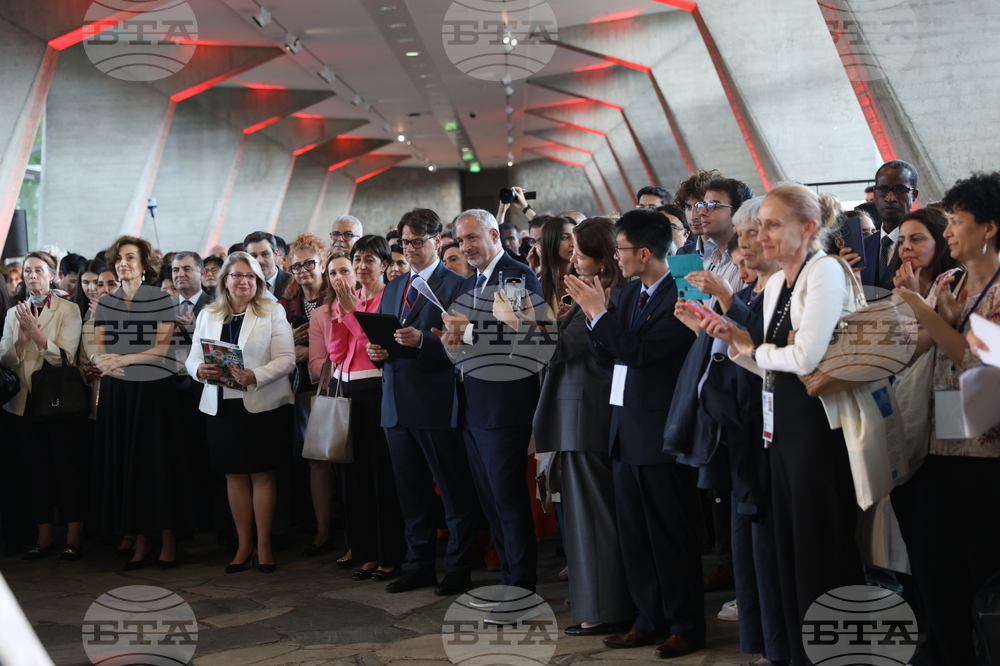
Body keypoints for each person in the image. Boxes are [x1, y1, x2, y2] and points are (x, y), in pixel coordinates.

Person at [704, 183, 865, 665]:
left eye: (773, 225)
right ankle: (797, 654)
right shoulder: (776, 283)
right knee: (789, 551)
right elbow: (780, 364)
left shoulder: (826, 272)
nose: (760, 236)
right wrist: (737, 345)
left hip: (818, 429)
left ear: (808, 228)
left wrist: (757, 349)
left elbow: (808, 355)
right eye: (758, 227)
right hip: (781, 425)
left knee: (821, 550)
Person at [565, 209, 703, 658]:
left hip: (661, 431)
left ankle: (685, 625)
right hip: (624, 429)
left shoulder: (679, 296)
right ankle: (647, 619)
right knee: (635, 535)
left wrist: (596, 314)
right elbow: (611, 357)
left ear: (643, 253)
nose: (615, 259)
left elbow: (642, 354)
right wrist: (596, 317)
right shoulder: (626, 296)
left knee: (670, 535)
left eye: (621, 251)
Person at [671, 198, 790, 666]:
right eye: (741, 243)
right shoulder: (756, 290)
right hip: (738, 432)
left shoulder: (780, 291)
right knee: (747, 550)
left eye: (753, 240)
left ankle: (778, 646)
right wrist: (706, 326)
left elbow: (763, 348)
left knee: (765, 548)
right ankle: (762, 643)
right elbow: (737, 347)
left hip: (765, 431)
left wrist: (726, 303)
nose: (743, 252)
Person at [892, 172, 1000, 666]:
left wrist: (924, 308)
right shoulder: (947, 280)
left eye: (957, 221)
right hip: (935, 440)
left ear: (990, 227)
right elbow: (921, 344)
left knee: (984, 562)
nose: (950, 231)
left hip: (985, 449)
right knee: (935, 563)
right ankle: (948, 651)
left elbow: (973, 360)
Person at [367, 208, 478, 596]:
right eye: (404, 243)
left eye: (418, 242)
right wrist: (375, 353)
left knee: (452, 488)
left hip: (436, 398)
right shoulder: (394, 286)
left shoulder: (458, 285)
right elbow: (383, 337)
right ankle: (419, 564)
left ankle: (460, 566)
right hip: (395, 401)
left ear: (437, 240)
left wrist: (425, 341)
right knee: (410, 491)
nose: (410, 249)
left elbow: (465, 346)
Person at [440, 209, 545, 602]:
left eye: (471, 238)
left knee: (506, 496)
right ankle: (508, 570)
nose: (466, 247)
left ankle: (522, 580)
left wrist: (467, 330)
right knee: (489, 498)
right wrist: (453, 343)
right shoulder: (477, 281)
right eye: (460, 240)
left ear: (494, 235)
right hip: (473, 402)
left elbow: (520, 334)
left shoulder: (514, 274)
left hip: (504, 406)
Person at [534, 217, 632, 636]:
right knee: (583, 522)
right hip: (579, 416)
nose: (571, 260)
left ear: (602, 257)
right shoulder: (593, 292)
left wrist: (516, 323)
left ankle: (604, 611)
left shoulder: (610, 293)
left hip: (587, 417)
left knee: (594, 521)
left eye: (579, 253)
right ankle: (594, 604)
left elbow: (562, 350)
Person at [185, 252, 295, 575]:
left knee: (261, 475)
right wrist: (199, 371)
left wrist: (256, 375)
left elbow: (287, 359)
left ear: (259, 281)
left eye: (250, 276)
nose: (243, 281)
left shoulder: (272, 311)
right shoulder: (208, 314)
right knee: (233, 476)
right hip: (222, 406)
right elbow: (191, 359)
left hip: (259, 403)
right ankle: (242, 544)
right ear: (225, 280)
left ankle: (263, 546)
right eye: (237, 275)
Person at [91, 236, 193, 570]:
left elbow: (159, 352)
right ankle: (139, 538)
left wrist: (122, 359)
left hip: (153, 392)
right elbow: (99, 347)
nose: (123, 263)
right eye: (119, 258)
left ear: (144, 263)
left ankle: (166, 538)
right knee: (125, 462)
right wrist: (105, 361)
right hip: (119, 392)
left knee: (156, 463)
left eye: (130, 258)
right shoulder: (107, 301)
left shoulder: (161, 298)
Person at [309, 237, 405, 581]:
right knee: (354, 477)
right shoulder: (354, 298)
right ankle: (364, 552)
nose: (362, 266)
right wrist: (341, 315)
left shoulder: (388, 297)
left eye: (368, 260)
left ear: (383, 264)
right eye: (357, 259)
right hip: (346, 387)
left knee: (381, 475)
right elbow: (336, 353)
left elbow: (377, 348)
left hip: (376, 388)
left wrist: (352, 314)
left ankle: (389, 554)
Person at [1, 252, 84, 562]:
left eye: (39, 270)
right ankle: (44, 536)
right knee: (35, 472)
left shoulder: (68, 309)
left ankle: (74, 535)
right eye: (27, 271)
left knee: (65, 469)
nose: (32, 276)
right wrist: (21, 340)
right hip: (22, 403)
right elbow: (5, 360)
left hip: (57, 401)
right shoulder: (14, 313)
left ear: (53, 275)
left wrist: (36, 335)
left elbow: (66, 358)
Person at [888, 208, 960, 298]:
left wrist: (913, 296)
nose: (905, 246)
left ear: (942, 243)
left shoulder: (960, 285)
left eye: (917, 239)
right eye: (901, 241)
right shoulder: (892, 288)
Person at [537, 215, 577, 314]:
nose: (573, 243)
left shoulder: (587, 281)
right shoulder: (538, 285)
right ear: (551, 241)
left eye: (576, 237)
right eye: (565, 238)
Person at [673, 169, 723, 247]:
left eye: (701, 206)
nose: (693, 217)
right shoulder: (684, 253)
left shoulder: (738, 252)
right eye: (688, 207)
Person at [245, 231, 290, 297]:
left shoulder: (292, 282)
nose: (260, 261)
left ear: (276, 254)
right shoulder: (242, 284)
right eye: (253, 256)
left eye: (265, 254)